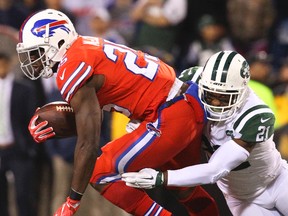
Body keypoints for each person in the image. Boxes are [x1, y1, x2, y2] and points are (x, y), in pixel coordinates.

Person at [16, 9, 219, 215]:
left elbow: (89, 143)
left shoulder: (72, 65)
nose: (34, 59)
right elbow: (94, 116)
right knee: (184, 187)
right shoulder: (86, 46)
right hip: (183, 104)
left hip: (167, 114)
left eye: (36, 52)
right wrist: (69, 119)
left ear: (57, 41)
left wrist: (72, 202)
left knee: (101, 173)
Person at [122, 51, 288, 216]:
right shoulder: (193, 79)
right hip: (241, 199)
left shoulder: (256, 116)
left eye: (224, 98)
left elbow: (216, 169)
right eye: (211, 95)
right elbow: (161, 100)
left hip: (276, 183)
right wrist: (144, 119)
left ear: (242, 91)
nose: (215, 103)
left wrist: (162, 178)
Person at [0, 52, 38, 216]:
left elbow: (32, 118)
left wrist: (30, 148)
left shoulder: (23, 88)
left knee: (24, 195)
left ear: (9, 64)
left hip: (18, 149)